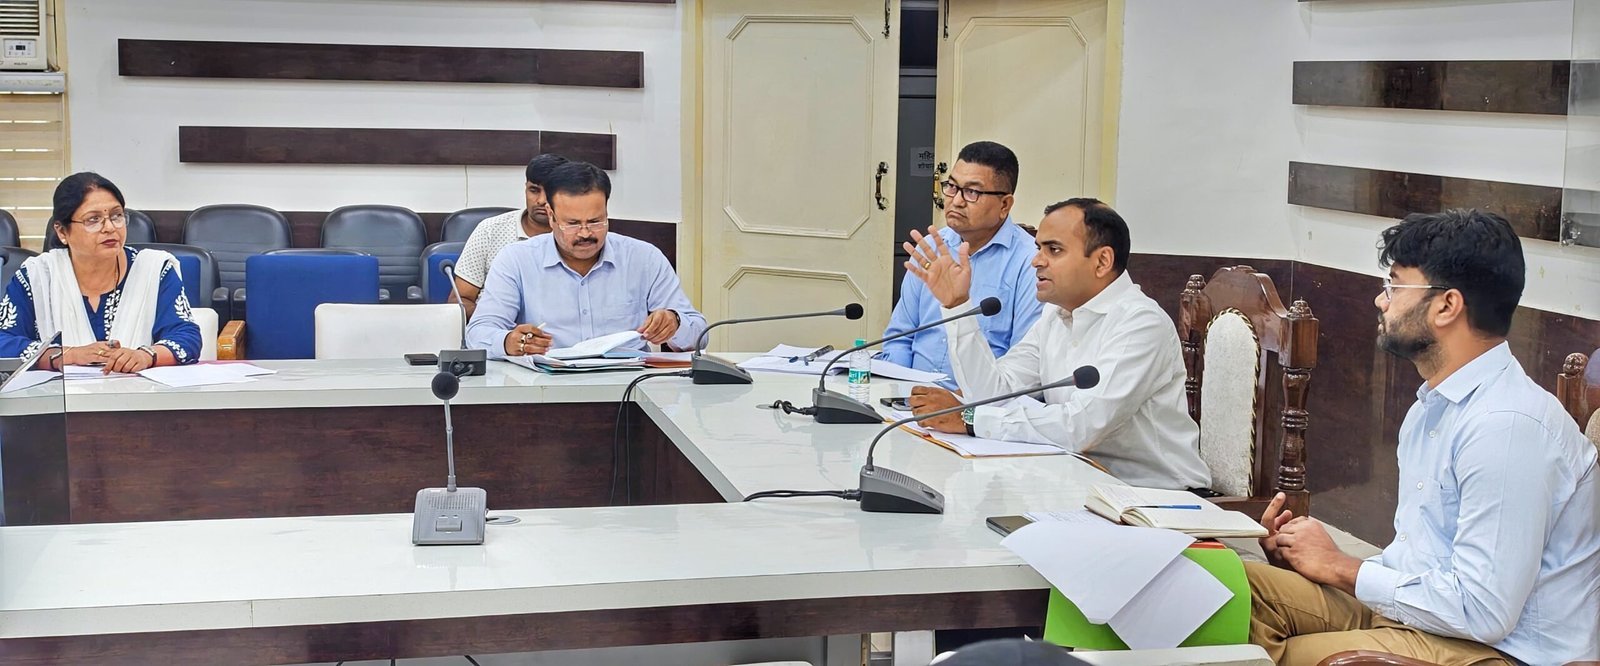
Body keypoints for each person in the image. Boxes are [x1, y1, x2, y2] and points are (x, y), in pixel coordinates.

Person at [1247, 210, 1599, 665]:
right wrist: (1310, 555)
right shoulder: (1433, 406)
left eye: (1395, 285)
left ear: (1446, 306)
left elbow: (1483, 611)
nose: (1381, 300)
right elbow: (1423, 564)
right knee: (1234, 592)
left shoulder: (1506, 427)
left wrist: (1341, 567)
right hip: (1426, 620)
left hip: (1502, 651)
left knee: (1293, 656)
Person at [903, 197, 1211, 491]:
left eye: (1054, 250)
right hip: (1077, 483)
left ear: (1102, 261)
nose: (1036, 261)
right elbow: (991, 396)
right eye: (1039, 248)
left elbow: (1082, 426)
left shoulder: (1140, 323)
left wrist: (970, 419)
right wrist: (957, 306)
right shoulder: (1055, 315)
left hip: (1155, 500)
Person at [465, 161, 706, 357]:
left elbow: (700, 335)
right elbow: (478, 332)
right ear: (551, 216)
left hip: (627, 385)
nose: (585, 233)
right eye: (572, 223)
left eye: (595, 221)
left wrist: (675, 323)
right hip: (544, 386)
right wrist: (509, 341)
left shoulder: (644, 258)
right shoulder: (516, 260)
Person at [877, 141, 1042, 387]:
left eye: (972, 192)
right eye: (952, 187)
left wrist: (959, 405)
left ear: (1004, 205)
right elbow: (899, 337)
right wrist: (896, 391)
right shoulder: (931, 247)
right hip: (908, 397)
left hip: (978, 404)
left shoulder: (1030, 263)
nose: (956, 201)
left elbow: (1024, 367)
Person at [0, 172, 200, 372]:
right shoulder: (37, 276)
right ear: (62, 231)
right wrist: (66, 355)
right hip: (57, 392)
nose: (110, 228)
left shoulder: (154, 270)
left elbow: (186, 337)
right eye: (93, 219)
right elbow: (4, 341)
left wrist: (146, 356)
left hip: (138, 389)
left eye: (116, 216)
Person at [450, 153, 569, 318]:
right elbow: (459, 299)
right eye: (534, 190)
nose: (541, 200)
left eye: (550, 192)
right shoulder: (490, 230)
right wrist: (499, 321)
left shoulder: (578, 236)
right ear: (525, 188)